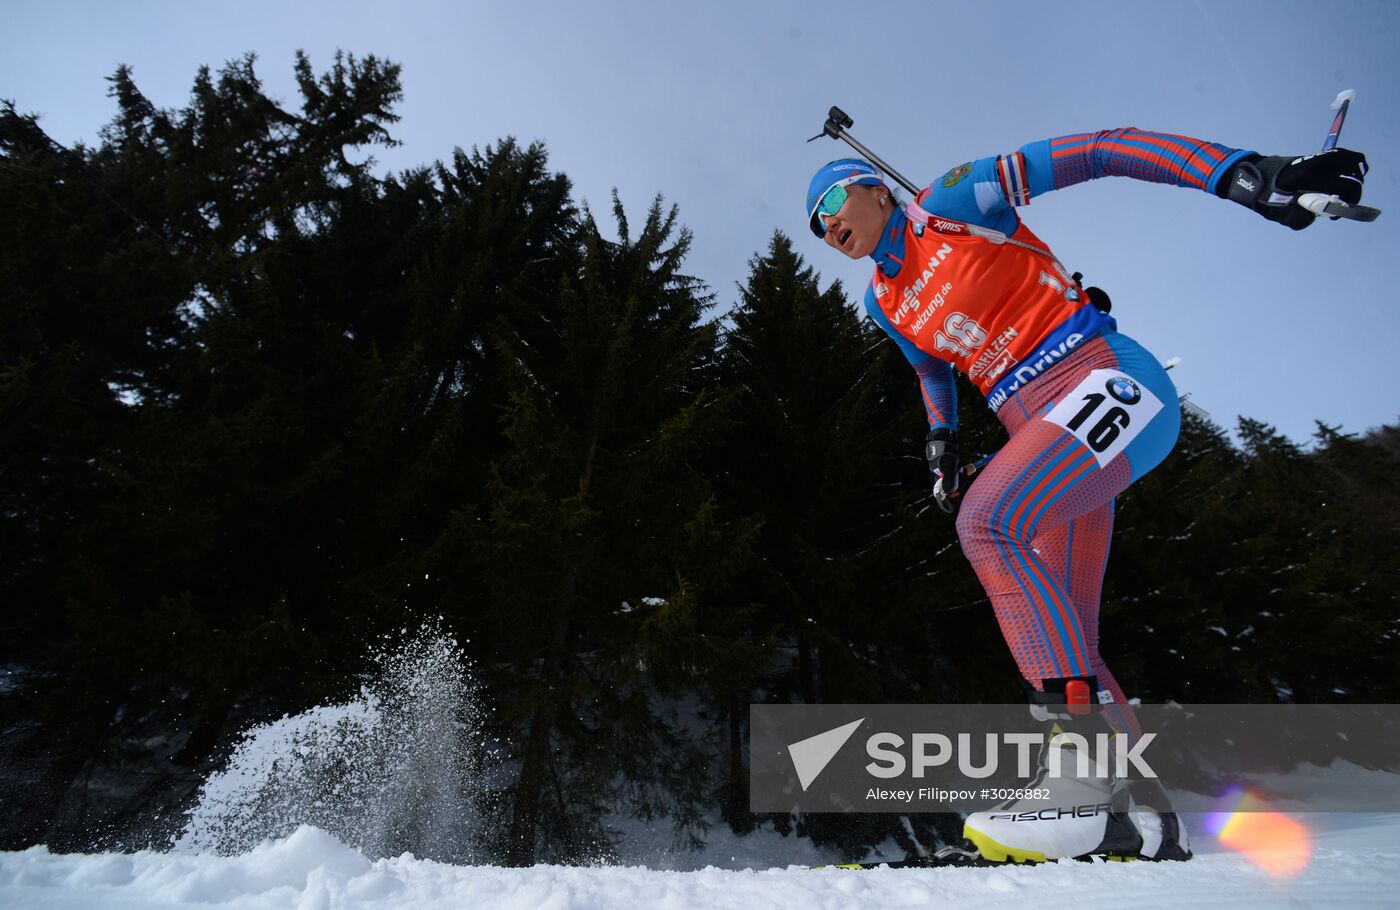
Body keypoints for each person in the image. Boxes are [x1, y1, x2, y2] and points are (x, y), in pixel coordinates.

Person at [805, 128, 1368, 862]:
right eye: (815, 224)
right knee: (1069, 635)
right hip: (1047, 433)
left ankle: (1077, 781)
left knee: (989, 522)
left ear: (875, 187)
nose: (826, 224)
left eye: (831, 201)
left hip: (1104, 381)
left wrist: (1246, 173)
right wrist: (941, 442)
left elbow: (1102, 149)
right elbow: (932, 373)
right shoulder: (885, 299)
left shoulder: (954, 199)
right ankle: (1145, 821)